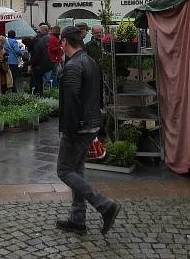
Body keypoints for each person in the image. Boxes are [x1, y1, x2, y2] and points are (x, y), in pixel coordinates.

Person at [56, 27, 120, 236]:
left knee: (64, 171)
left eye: (61, 41)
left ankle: (104, 205)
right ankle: (78, 219)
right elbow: (97, 93)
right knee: (77, 171)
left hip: (78, 127)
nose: (60, 44)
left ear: (65, 42)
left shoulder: (73, 65)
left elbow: (73, 101)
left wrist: (70, 129)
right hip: (90, 123)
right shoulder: (89, 60)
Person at [30, 24, 52, 95]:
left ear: (45, 30)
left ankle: (39, 94)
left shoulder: (42, 40)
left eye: (39, 31)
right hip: (46, 63)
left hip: (41, 64)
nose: (38, 32)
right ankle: (43, 94)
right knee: (43, 81)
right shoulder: (47, 38)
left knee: (39, 81)